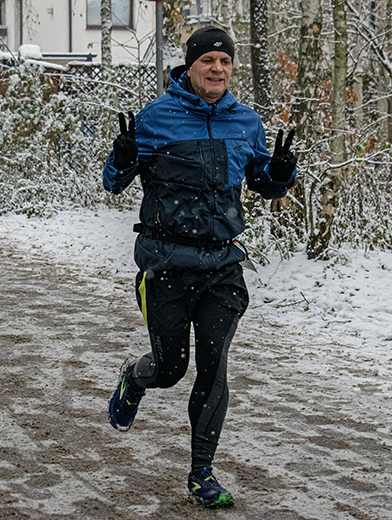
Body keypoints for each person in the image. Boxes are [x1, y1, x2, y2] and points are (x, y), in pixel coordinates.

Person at [103, 26, 297, 509]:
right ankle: (135, 377)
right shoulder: (155, 118)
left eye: (225, 62)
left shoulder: (246, 123)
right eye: (208, 60)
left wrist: (279, 172)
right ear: (189, 67)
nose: (217, 69)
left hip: (221, 266)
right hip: (166, 262)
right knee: (172, 368)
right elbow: (112, 182)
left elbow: (264, 187)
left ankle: (201, 471)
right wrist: (123, 159)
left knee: (214, 366)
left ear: (232, 69)